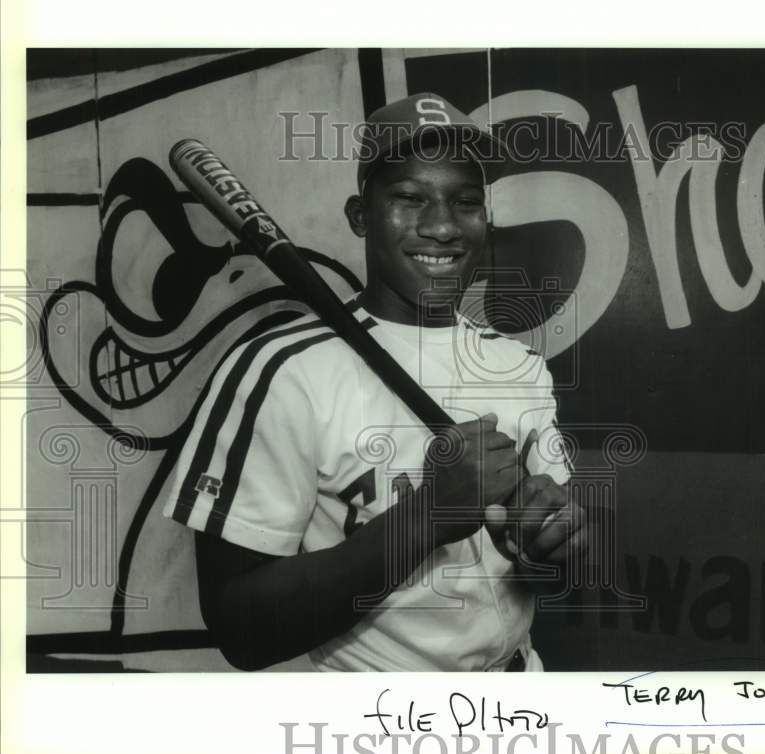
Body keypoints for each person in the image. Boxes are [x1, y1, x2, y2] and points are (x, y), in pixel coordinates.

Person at [163, 92, 586, 672]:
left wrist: (552, 545)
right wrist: (426, 516)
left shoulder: (519, 367)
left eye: (465, 201)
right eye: (410, 198)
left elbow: (552, 577)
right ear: (360, 217)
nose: (441, 226)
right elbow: (241, 630)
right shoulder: (283, 370)